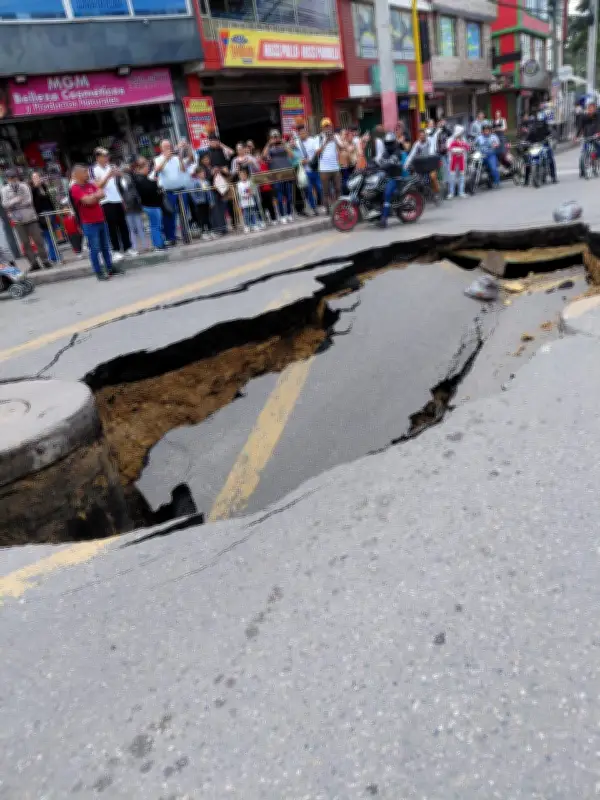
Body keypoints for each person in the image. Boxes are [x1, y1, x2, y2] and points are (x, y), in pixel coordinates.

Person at [70, 163, 119, 280]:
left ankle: (110, 268)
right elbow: (87, 201)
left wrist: (93, 196)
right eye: (84, 172)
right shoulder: (75, 188)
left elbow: (102, 194)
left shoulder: (90, 184)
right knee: (95, 249)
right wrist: (95, 196)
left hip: (101, 219)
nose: (87, 174)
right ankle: (98, 272)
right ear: (77, 174)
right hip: (89, 223)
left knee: (106, 246)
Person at [1, 169, 52, 271]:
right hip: (17, 220)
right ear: (7, 179)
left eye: (14, 177)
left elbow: (28, 201)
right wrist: (16, 200)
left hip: (30, 217)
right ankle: (33, 263)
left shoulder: (24, 186)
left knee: (38, 240)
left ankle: (45, 260)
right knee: (25, 243)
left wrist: (13, 205)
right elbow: (5, 204)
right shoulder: (4, 190)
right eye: (10, 178)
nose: (13, 180)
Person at [92, 147, 133, 261]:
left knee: (123, 225)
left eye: (107, 156)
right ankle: (115, 250)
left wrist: (119, 174)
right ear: (98, 157)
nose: (107, 158)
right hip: (106, 201)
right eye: (104, 156)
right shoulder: (94, 169)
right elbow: (97, 186)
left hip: (117, 199)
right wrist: (108, 175)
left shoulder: (111, 167)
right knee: (112, 227)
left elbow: (118, 184)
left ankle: (127, 247)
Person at [153, 139, 192, 246]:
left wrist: (180, 158)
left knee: (184, 213)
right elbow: (157, 170)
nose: (167, 148)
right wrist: (166, 159)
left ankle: (186, 235)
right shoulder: (158, 159)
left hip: (181, 189)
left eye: (169, 146)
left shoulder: (176, 158)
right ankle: (171, 237)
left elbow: (183, 170)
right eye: (165, 147)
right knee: (169, 214)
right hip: (168, 191)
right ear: (161, 148)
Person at [132, 157, 166, 251]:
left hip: (153, 205)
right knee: (155, 226)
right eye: (146, 167)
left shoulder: (143, 178)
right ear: (141, 168)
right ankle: (158, 245)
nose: (148, 169)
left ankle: (159, 243)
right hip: (150, 205)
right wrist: (155, 184)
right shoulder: (140, 179)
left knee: (157, 226)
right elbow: (148, 190)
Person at [262, 129, 295, 223]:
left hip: (287, 173)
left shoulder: (284, 146)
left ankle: (289, 214)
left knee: (289, 196)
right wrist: (269, 143)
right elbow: (263, 156)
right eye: (273, 137)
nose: (275, 138)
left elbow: (292, 155)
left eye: (277, 136)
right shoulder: (270, 148)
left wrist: (284, 144)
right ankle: (282, 215)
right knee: (279, 197)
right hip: (276, 175)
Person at [117, 159, 148, 253]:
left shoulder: (130, 178)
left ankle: (143, 246)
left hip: (133, 204)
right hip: (128, 205)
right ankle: (136, 246)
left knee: (137, 226)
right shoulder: (119, 180)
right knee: (133, 227)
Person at [376, 132, 404, 229]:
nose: (389, 145)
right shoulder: (386, 152)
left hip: (396, 178)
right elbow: (379, 160)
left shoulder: (397, 152)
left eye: (390, 143)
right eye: (387, 143)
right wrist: (371, 165)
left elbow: (390, 163)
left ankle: (384, 219)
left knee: (387, 194)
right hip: (387, 177)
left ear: (394, 142)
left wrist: (381, 166)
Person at [30, 171, 58, 264]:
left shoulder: (44, 187)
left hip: (50, 211)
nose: (37, 179)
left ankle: (54, 254)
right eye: (35, 177)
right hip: (42, 215)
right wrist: (36, 187)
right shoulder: (32, 190)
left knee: (52, 234)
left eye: (38, 177)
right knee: (48, 235)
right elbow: (34, 202)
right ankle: (53, 256)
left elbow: (48, 199)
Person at [316, 118, 343, 213]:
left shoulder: (336, 136)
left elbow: (342, 147)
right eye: (325, 126)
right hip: (324, 169)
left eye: (329, 126)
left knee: (338, 188)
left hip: (335, 167)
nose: (327, 128)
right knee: (326, 191)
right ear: (322, 128)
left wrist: (334, 139)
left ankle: (338, 208)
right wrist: (326, 141)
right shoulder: (319, 138)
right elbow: (317, 152)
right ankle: (328, 209)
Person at [524, 110, 557, 185]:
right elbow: (528, 137)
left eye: (541, 121)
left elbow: (551, 133)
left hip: (544, 145)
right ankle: (526, 180)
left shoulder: (546, 127)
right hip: (534, 146)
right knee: (528, 161)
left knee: (550, 159)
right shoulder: (532, 128)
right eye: (539, 121)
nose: (540, 123)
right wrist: (525, 142)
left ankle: (553, 177)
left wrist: (550, 137)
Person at [294, 123, 321, 214]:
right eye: (300, 133)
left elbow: (317, 152)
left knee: (320, 188)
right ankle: (314, 208)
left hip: (315, 169)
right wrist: (300, 161)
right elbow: (295, 156)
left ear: (307, 133)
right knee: (309, 191)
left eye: (304, 133)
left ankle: (323, 204)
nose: (302, 135)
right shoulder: (297, 143)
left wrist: (310, 160)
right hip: (305, 171)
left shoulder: (313, 141)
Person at [405, 129, 440, 194]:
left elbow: (432, 151)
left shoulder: (430, 141)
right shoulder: (417, 144)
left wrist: (430, 156)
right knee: (417, 179)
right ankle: (421, 194)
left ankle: (436, 193)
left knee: (432, 176)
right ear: (419, 137)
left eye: (423, 136)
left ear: (425, 136)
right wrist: (406, 165)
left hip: (430, 163)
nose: (422, 137)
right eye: (421, 136)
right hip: (422, 165)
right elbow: (411, 155)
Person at [188, 163, 216, 240]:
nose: (203, 174)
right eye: (201, 173)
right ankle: (204, 233)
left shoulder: (206, 182)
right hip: (200, 203)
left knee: (208, 217)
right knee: (202, 218)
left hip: (207, 202)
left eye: (203, 173)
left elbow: (209, 192)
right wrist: (196, 201)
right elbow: (193, 193)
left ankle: (210, 231)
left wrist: (211, 201)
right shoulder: (195, 183)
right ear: (197, 174)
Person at [576, 101, 600, 177]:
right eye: (589, 108)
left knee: (597, 150)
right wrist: (577, 136)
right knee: (583, 152)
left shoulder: (598, 116)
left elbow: (598, 125)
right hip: (586, 136)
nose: (590, 110)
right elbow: (580, 126)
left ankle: (594, 166)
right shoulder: (584, 116)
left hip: (596, 136)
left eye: (592, 108)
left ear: (595, 109)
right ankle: (582, 170)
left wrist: (598, 133)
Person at [446, 125, 470, 198]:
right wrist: (459, 149)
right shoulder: (450, 139)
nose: (461, 133)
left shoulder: (463, 139)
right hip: (452, 160)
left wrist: (461, 149)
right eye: (460, 132)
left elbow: (467, 148)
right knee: (452, 177)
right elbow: (449, 148)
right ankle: (451, 193)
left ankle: (461, 192)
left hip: (462, 160)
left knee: (462, 176)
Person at [474, 123, 501, 187]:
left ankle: (496, 181)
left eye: (487, 130)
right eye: (485, 130)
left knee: (493, 168)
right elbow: (474, 144)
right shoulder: (479, 137)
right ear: (482, 131)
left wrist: (495, 145)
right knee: (474, 166)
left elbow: (497, 144)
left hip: (490, 155)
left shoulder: (494, 136)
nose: (486, 131)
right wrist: (471, 146)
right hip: (481, 155)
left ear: (490, 130)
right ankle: (474, 180)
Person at [236, 166, 259, 232]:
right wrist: (244, 195)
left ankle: (254, 224)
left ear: (246, 175)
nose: (243, 176)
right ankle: (247, 225)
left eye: (244, 175)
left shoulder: (249, 182)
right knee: (246, 214)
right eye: (241, 175)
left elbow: (253, 189)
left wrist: (251, 192)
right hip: (244, 202)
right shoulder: (239, 184)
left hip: (251, 201)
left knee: (252, 213)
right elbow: (239, 193)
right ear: (239, 176)